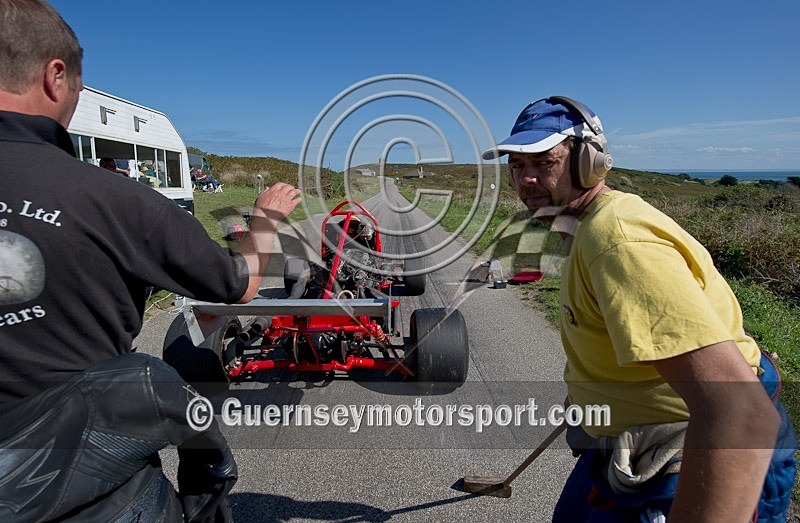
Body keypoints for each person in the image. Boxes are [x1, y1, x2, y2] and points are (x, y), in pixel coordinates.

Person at [0, 1, 301, 521]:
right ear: (55, 76)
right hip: (85, 494)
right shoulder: (113, 199)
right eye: (76, 85)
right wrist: (265, 219)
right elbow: (240, 284)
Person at [482, 96, 797, 521]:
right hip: (619, 447)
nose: (528, 179)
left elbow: (738, 413)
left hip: (685, 464)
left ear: (589, 163)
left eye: (545, 162)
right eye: (518, 166)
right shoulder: (584, 227)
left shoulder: (618, 243)